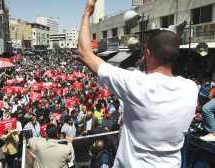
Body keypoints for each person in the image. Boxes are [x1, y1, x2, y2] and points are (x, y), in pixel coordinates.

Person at [78, 1, 198, 167]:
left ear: (147, 53)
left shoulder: (136, 83)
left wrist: (87, 12)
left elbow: (85, 54)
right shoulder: (191, 88)